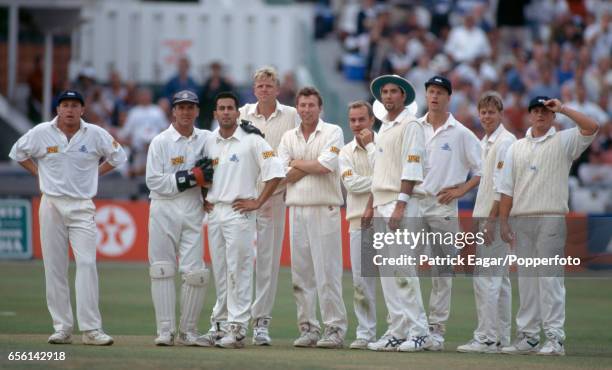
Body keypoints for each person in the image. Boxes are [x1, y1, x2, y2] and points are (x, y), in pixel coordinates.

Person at [9, 90, 126, 345]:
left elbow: (119, 156)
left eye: (75, 105)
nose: (70, 110)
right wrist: (39, 173)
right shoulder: (41, 132)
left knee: (86, 264)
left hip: (82, 205)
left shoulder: (95, 134)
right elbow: (18, 153)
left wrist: (96, 172)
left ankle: (92, 330)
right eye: (65, 105)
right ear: (58, 109)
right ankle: (62, 327)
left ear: (82, 109)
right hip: (51, 203)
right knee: (55, 267)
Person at [498, 96, 598, 356]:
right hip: (522, 219)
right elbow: (506, 189)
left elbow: (592, 127)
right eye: (536, 111)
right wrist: (503, 221)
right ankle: (529, 337)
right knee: (528, 281)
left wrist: (563, 108)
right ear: (530, 115)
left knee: (549, 279)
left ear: (552, 115)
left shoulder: (563, 141)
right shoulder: (516, 148)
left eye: (545, 111)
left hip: (551, 218)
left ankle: (554, 339)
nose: (540, 115)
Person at [205, 92, 284, 349]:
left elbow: (276, 172)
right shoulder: (210, 141)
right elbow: (203, 174)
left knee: (238, 269)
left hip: (240, 211)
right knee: (220, 270)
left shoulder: (252, 140)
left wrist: (259, 201)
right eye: (221, 108)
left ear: (238, 113)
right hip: (216, 211)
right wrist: (205, 196)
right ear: (215, 113)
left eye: (230, 108)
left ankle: (237, 328)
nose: (226, 112)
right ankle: (219, 324)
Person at [363, 75, 431, 352]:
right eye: (384, 93)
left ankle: (419, 331)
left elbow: (412, 165)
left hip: (400, 204)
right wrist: (371, 205)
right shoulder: (386, 126)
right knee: (389, 272)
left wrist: (401, 204)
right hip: (382, 203)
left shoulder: (411, 124)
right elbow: (380, 171)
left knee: (404, 268)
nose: (388, 96)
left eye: (393, 92)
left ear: (404, 96)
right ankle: (398, 329)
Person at [277, 87, 348, 349]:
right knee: (302, 274)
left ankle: (335, 329)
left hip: (324, 208)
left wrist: (297, 163)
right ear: (297, 108)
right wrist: (307, 165)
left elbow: (325, 166)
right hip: (296, 208)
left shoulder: (333, 132)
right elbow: (282, 172)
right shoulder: (288, 136)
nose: (306, 109)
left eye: (311, 105)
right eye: (302, 105)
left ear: (320, 108)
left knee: (327, 272)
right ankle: (308, 328)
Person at [415, 75, 482, 351]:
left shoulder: (461, 133)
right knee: (405, 265)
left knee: (442, 271)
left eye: (440, 92)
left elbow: (482, 170)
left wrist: (461, 190)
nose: (434, 96)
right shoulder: (414, 127)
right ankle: (412, 325)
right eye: (431, 91)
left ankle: (436, 331)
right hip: (415, 203)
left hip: (443, 206)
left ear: (448, 97)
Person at [145, 90, 214, 347]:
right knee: (162, 269)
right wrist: (191, 177)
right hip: (163, 207)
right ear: (173, 111)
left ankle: (188, 332)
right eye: (181, 107)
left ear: (197, 111)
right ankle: (165, 331)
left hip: (193, 208)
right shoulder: (160, 142)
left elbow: (218, 165)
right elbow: (153, 181)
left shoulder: (207, 138)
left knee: (195, 273)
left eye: (190, 107)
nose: (185, 112)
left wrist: (207, 191)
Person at [238, 67, 299, 345]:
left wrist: (284, 185)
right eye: (260, 85)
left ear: (277, 89)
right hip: (244, 197)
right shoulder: (241, 114)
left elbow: (299, 153)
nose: (264, 89)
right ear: (255, 89)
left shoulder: (291, 116)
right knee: (237, 260)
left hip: (275, 197)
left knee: (268, 262)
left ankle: (261, 323)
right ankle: (232, 321)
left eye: (269, 85)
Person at [456, 92, 516, 354]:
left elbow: (503, 187)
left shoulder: (506, 142)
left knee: (486, 279)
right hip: (486, 216)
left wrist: (492, 221)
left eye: (491, 112)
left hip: (495, 218)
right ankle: (501, 337)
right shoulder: (486, 141)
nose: (486, 116)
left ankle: (487, 338)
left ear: (501, 114)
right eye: (483, 112)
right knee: (499, 280)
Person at [339, 101, 377, 349]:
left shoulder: (382, 145)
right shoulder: (345, 152)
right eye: (352, 120)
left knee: (395, 279)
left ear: (371, 120)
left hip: (387, 219)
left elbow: (392, 175)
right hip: (357, 220)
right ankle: (366, 333)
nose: (356, 125)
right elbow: (351, 185)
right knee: (361, 281)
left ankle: (400, 330)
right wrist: (382, 181)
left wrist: (383, 179)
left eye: (361, 119)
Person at [117, 87, 169, 176]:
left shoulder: (157, 111)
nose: (145, 97)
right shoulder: (134, 112)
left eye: (147, 95)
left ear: (151, 97)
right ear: (139, 97)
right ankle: (139, 171)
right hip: (138, 147)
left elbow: (165, 129)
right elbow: (125, 132)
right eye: (143, 95)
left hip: (155, 146)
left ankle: (139, 171)